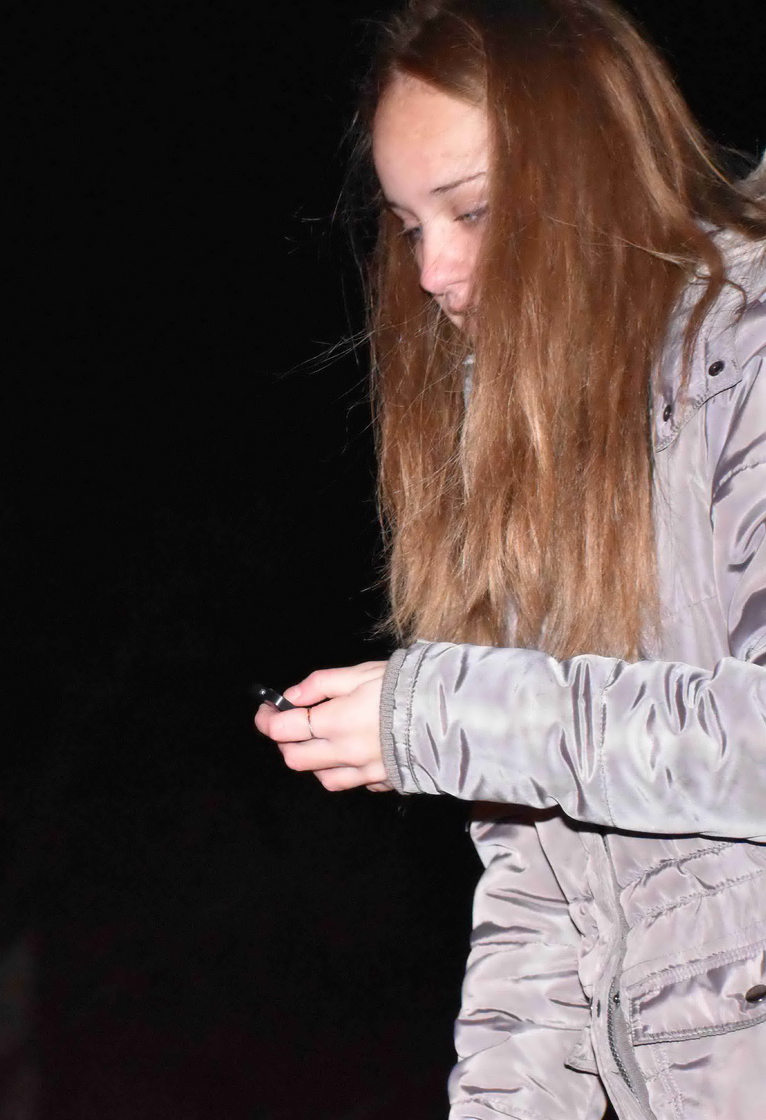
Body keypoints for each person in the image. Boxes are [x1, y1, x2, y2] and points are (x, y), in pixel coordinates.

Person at [251, 1, 766, 1117]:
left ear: (592, 169)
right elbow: (545, 895)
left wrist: (450, 713)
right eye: (407, 227)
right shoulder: (526, 441)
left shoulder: (752, 349)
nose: (433, 270)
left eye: (472, 210)